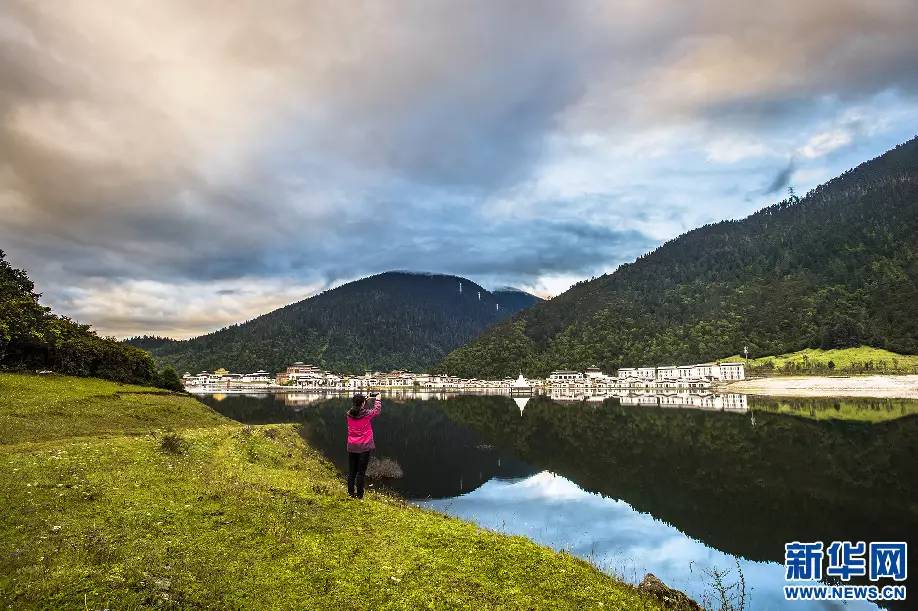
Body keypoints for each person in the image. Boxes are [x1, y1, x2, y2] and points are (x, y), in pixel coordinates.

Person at [346, 392, 381, 499]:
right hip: (364, 447)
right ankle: (360, 495)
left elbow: (356, 408)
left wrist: (362, 400)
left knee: (352, 471)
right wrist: (378, 399)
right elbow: (377, 411)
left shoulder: (348, 414)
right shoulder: (366, 414)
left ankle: (351, 493)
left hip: (352, 446)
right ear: (363, 404)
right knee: (361, 473)